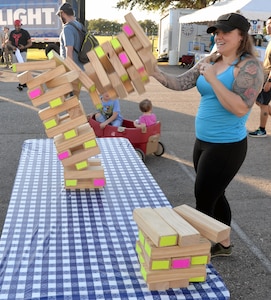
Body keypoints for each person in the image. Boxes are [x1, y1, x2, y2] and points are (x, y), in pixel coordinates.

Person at [150, 13, 264, 257]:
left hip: (226, 146)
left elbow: (240, 108)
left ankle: (198, 253)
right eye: (216, 32)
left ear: (242, 36)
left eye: (225, 32)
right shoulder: (211, 59)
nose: (218, 36)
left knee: (203, 199)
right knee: (215, 193)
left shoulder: (249, 67)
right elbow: (180, 83)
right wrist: (154, 72)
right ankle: (224, 243)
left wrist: (212, 78)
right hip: (203, 142)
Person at [249, 17, 271, 137]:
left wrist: (269, 81)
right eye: (267, 24)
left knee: (263, 104)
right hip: (265, 74)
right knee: (260, 101)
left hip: (269, 77)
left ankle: (262, 130)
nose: (268, 27)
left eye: (270, 24)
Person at [56, 2, 84, 70]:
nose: (60, 18)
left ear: (62, 13)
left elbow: (69, 50)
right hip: (82, 67)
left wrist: (70, 70)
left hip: (75, 69)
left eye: (60, 16)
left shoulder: (67, 28)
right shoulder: (80, 26)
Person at [8, 19, 32, 90]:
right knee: (18, 68)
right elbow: (9, 43)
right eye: (16, 26)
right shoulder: (12, 33)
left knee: (23, 67)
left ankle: (22, 83)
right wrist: (13, 47)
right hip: (15, 52)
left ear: (20, 25)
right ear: (14, 25)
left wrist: (24, 47)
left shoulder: (25, 33)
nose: (17, 27)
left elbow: (30, 43)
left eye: (18, 25)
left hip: (23, 52)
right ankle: (24, 81)